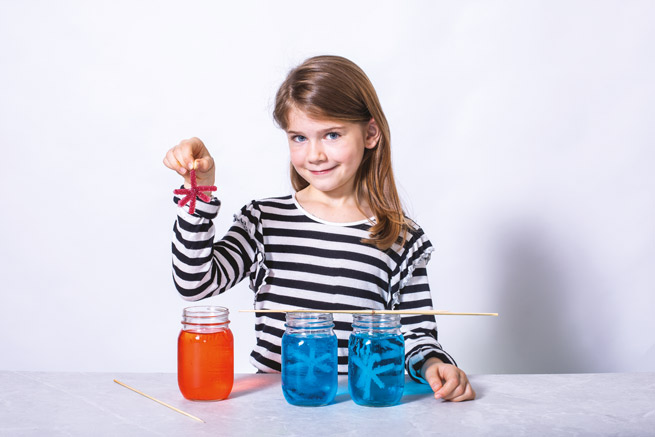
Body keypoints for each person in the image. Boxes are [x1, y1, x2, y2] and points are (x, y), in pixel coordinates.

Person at [163, 55, 475, 402]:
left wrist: (432, 363)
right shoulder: (264, 221)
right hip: (279, 406)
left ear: (370, 133)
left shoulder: (401, 238)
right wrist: (199, 189)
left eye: (331, 134)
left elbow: (416, 333)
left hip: (360, 408)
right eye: (299, 137)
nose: (314, 155)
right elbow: (194, 283)